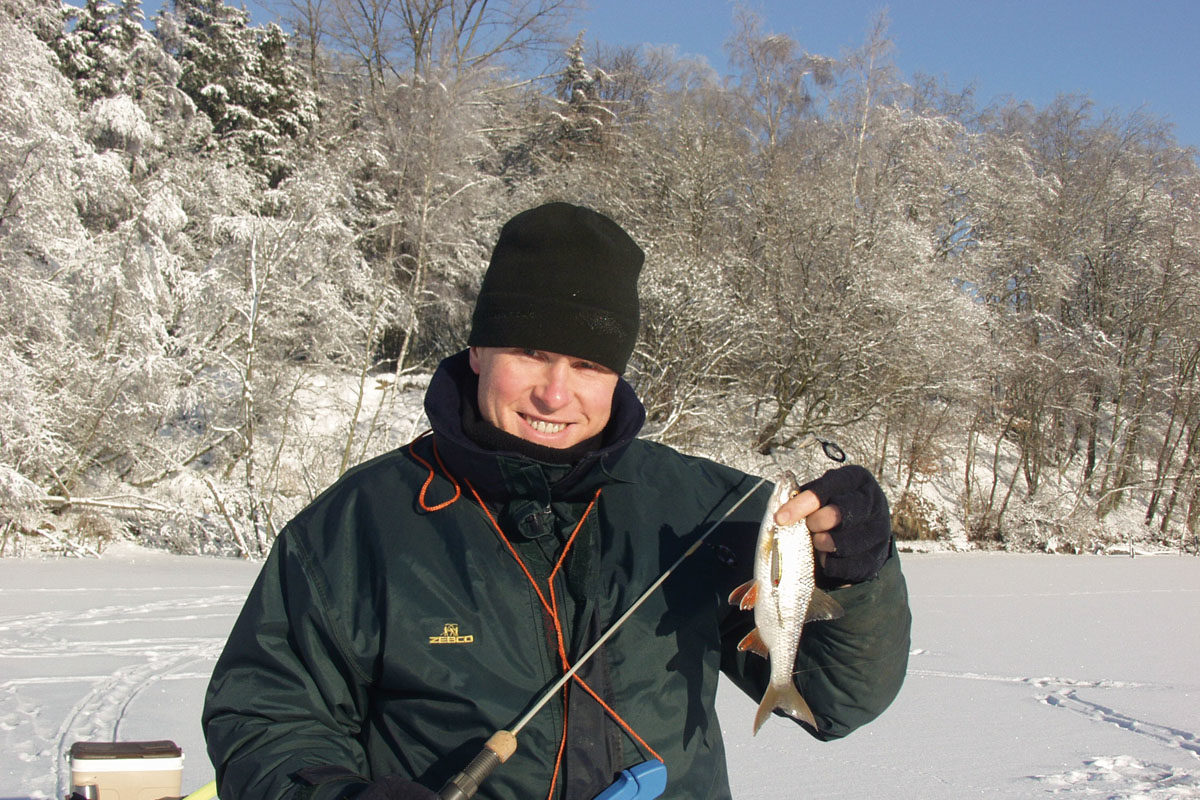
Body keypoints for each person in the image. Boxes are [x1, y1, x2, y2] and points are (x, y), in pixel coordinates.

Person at [203, 203, 911, 800]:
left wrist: (858, 572)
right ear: (478, 351)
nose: (555, 393)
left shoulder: (702, 506)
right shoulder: (359, 525)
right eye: (531, 354)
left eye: (589, 365)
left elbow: (835, 701)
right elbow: (266, 718)